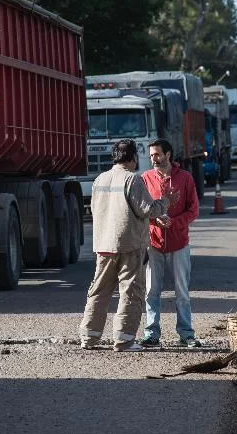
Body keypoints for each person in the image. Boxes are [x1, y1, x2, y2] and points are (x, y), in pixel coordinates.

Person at [79, 139, 175, 352]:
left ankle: (89, 337)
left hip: (104, 243)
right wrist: (165, 201)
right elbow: (147, 209)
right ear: (132, 157)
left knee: (99, 291)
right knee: (131, 291)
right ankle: (124, 340)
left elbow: (96, 210)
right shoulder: (133, 179)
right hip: (129, 244)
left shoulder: (100, 179)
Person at [139, 138, 201, 348]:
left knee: (182, 291)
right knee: (151, 291)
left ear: (168, 155)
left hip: (179, 242)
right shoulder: (145, 178)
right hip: (153, 243)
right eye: (151, 156)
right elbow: (140, 210)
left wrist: (175, 222)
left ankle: (186, 333)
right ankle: (151, 332)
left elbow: (194, 210)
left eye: (157, 154)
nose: (153, 159)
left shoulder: (185, 178)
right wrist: (154, 220)